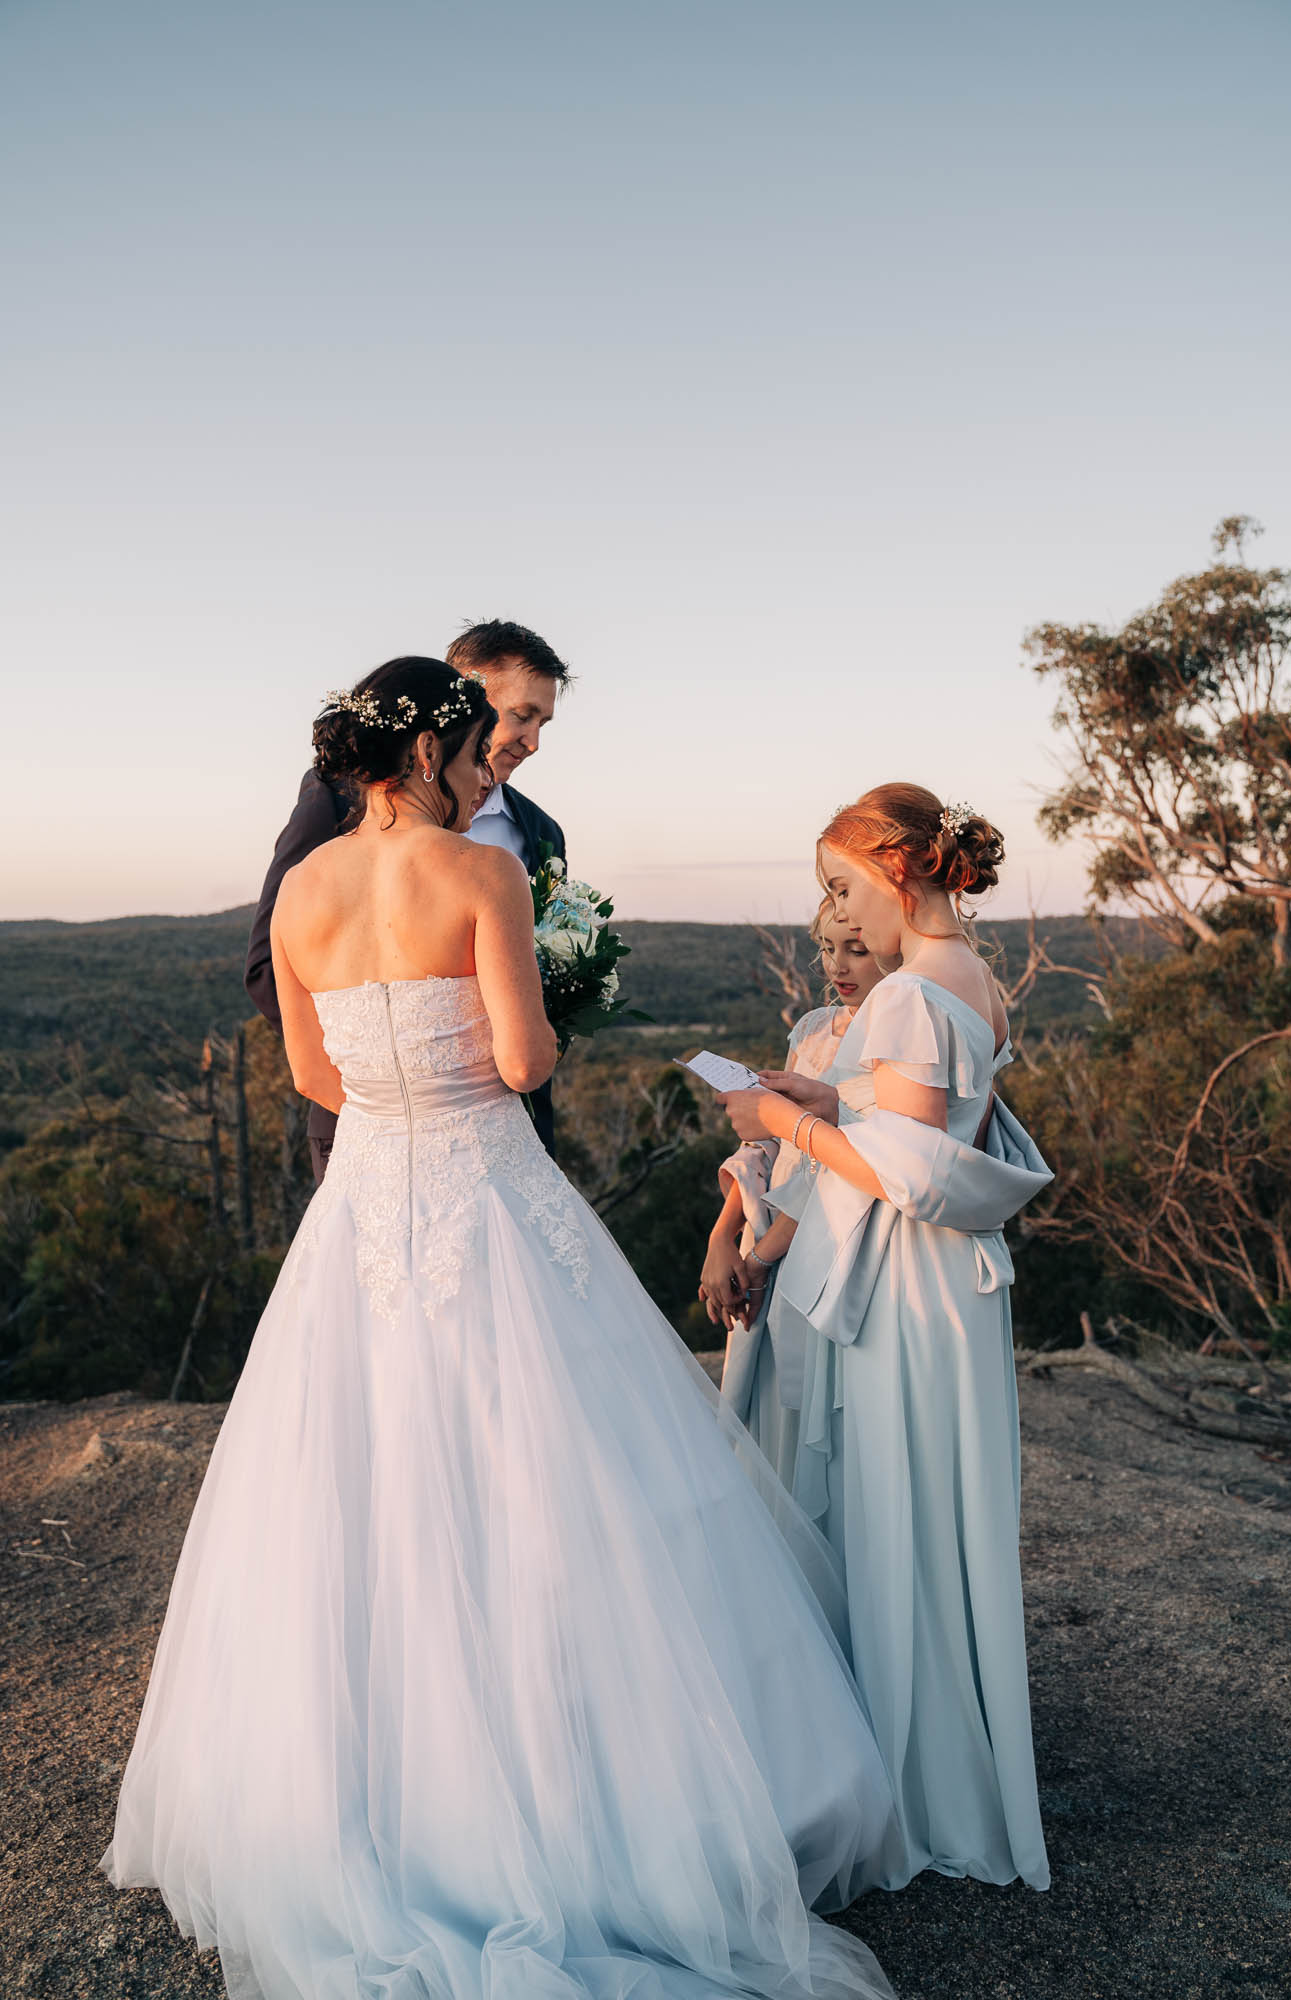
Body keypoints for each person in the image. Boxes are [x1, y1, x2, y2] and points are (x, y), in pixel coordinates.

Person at [102, 658, 900, 2000]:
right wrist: (527, 998)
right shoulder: (482, 877)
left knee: (354, 1487)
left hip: (364, 1201)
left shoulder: (300, 890)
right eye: (474, 745)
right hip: (482, 1182)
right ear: (421, 745)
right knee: (556, 1470)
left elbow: (308, 1073)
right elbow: (527, 1063)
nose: (487, 767)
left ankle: (363, 1804)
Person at [717, 782, 1052, 1893]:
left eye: (842, 885)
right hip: (952, 1290)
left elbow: (904, 1172)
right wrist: (823, 1087)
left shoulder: (911, 991)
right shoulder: (975, 982)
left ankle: (902, 1782)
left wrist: (783, 1122)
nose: (838, 912)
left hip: (906, 1285)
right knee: (928, 1519)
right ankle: (927, 1753)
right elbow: (916, 1122)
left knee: (895, 1511)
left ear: (900, 873)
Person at [244, 621, 569, 1172]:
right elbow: (264, 974)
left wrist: (392, 1122)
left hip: (415, 1149)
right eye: (520, 715)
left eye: (544, 721)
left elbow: (307, 1073)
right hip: (392, 1140)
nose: (532, 741)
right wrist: (406, 1102)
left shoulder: (539, 832)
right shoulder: (490, 869)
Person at [700, 899, 887, 1488]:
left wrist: (760, 1259)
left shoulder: (892, 1042)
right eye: (829, 949)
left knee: (824, 1438)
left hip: (829, 1251)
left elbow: (841, 1174)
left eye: (856, 949)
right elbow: (771, 1149)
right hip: (768, 1240)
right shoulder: (810, 1028)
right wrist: (723, 1236)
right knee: (767, 1422)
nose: (839, 965)